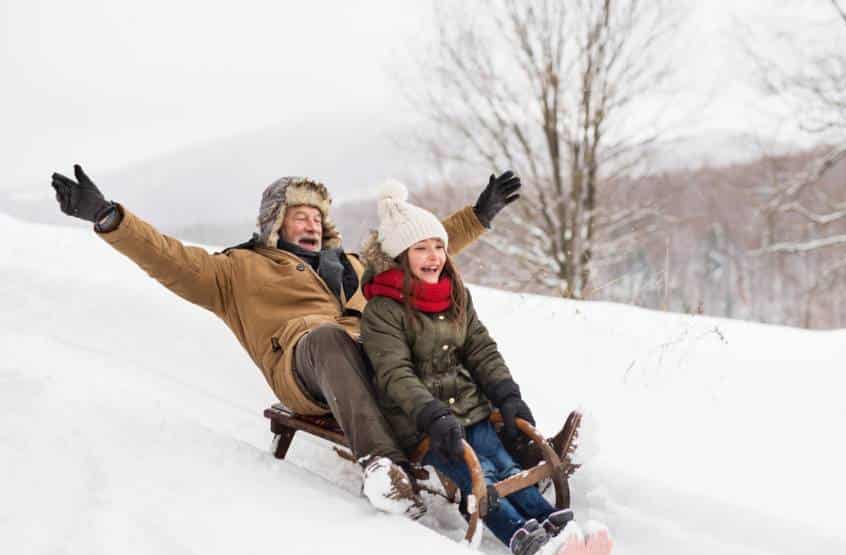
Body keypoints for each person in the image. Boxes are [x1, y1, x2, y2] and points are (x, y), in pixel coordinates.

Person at [50, 164, 522, 520]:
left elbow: (419, 251)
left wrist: (479, 216)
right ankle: (384, 466)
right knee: (330, 337)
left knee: (427, 333)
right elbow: (168, 258)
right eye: (299, 216)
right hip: (306, 364)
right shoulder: (237, 270)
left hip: (373, 358)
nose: (312, 224)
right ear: (274, 221)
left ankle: (510, 438)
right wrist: (109, 217)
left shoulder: (354, 264)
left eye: (317, 216)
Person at [359, 180, 613, 555]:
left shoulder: (454, 294)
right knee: (484, 481)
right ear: (400, 256)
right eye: (421, 248)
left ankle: (555, 529)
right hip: (426, 425)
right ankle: (525, 544)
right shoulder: (382, 311)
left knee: (508, 467)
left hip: (472, 411)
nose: (434, 257)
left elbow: (481, 349)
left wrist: (507, 395)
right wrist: (431, 414)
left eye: (438, 246)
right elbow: (395, 375)